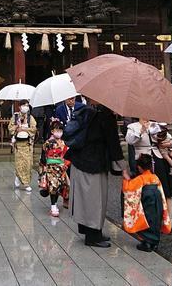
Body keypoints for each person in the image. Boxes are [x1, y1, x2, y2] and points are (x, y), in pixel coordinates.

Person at [67, 104, 128, 248]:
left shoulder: (90, 111)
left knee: (86, 200)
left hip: (80, 160)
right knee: (95, 201)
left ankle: (93, 232)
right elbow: (114, 144)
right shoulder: (105, 115)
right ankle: (92, 237)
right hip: (93, 163)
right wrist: (123, 168)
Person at [126, 118, 172, 220]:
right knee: (144, 191)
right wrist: (141, 130)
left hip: (158, 159)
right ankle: (146, 218)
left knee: (165, 191)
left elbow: (171, 140)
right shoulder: (133, 127)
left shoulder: (156, 125)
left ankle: (169, 219)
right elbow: (130, 140)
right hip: (142, 161)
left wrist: (170, 144)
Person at [122, 153, 172, 252]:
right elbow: (161, 191)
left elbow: (129, 189)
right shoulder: (155, 177)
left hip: (147, 200)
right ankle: (155, 243)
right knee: (156, 219)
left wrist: (125, 178)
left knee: (147, 219)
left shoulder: (140, 179)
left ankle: (147, 243)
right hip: (157, 199)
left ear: (139, 168)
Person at [39, 118, 70, 217]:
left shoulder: (63, 143)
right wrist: (43, 169)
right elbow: (43, 157)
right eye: (57, 130)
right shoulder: (48, 143)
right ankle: (53, 206)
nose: (59, 132)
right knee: (54, 185)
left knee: (60, 186)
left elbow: (67, 155)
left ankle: (55, 203)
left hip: (61, 168)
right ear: (52, 131)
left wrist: (65, 164)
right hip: (51, 168)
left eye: (60, 131)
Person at [8, 100, 37, 191]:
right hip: (19, 145)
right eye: (24, 105)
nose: (26, 107)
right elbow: (10, 128)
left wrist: (25, 128)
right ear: (20, 107)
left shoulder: (30, 117)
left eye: (27, 105)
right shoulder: (15, 116)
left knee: (28, 164)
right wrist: (17, 127)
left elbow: (34, 129)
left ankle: (19, 176)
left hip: (28, 144)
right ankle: (25, 183)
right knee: (20, 163)